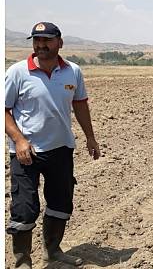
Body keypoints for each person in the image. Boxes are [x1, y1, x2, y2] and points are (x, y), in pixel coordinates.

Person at [5, 22, 101, 268]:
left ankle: (53, 252)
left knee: (60, 203)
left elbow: (79, 104)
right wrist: (19, 139)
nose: (41, 45)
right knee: (24, 209)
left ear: (60, 42)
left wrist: (90, 137)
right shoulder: (18, 72)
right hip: (26, 152)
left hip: (61, 149)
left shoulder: (73, 71)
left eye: (47, 40)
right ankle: (22, 261)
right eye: (37, 40)